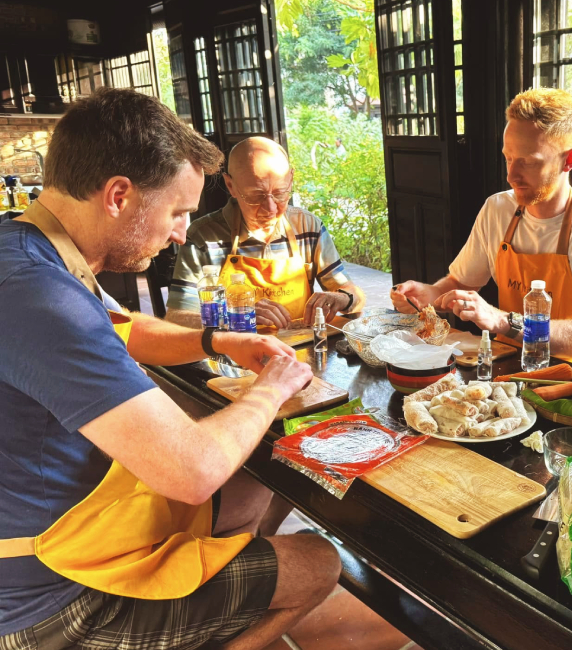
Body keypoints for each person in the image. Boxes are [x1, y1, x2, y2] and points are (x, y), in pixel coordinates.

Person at [0, 88, 341, 650]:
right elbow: (193, 469)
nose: (182, 232)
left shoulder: (28, 247)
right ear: (118, 196)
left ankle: (211, 602)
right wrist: (271, 389)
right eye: (177, 212)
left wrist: (217, 338)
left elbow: (125, 327)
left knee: (252, 483)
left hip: (72, 524)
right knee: (318, 563)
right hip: (46, 596)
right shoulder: (37, 297)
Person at [391, 87, 572, 365]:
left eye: (529, 162)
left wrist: (501, 321)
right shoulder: (497, 209)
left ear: (568, 160)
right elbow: (461, 282)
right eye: (508, 157)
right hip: (506, 364)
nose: (511, 175)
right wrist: (431, 294)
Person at [166, 136, 365, 330]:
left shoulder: (308, 227)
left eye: (280, 193)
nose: (271, 208)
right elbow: (177, 319)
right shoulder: (204, 237)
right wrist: (236, 315)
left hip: (299, 350)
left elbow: (354, 296)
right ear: (230, 186)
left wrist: (342, 298)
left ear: (291, 179)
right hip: (235, 356)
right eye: (256, 196)